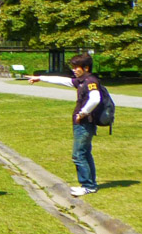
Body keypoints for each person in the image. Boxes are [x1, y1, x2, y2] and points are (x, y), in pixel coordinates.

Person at [31, 53, 106, 197]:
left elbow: (95, 99)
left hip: (85, 123)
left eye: (76, 67)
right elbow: (62, 81)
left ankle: (88, 185)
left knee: (78, 154)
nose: (74, 70)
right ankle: (90, 184)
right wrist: (40, 78)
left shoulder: (90, 81)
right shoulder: (81, 80)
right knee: (85, 153)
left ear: (86, 67)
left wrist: (83, 113)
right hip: (82, 122)